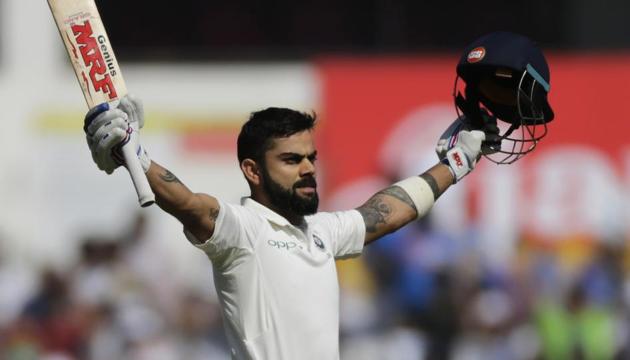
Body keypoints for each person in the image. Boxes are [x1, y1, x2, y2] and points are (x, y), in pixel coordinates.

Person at [82, 31, 552, 359]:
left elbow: (385, 212)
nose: (308, 169)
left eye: (310, 157)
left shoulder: (323, 232)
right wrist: (135, 155)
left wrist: (456, 164)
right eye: (291, 160)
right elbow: (187, 201)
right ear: (252, 171)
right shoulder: (241, 232)